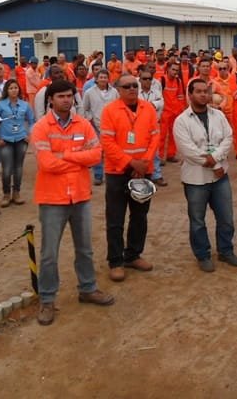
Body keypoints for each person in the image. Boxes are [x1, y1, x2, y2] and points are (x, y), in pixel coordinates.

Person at [30, 80, 114, 326]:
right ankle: (47, 299)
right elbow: (46, 163)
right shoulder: (41, 127)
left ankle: (87, 288)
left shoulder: (83, 124)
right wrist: (78, 159)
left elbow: (96, 155)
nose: (66, 100)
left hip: (80, 196)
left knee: (85, 249)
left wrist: (64, 155)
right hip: (52, 199)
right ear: (50, 100)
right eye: (61, 96)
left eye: (69, 96)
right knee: (49, 254)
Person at [173, 79, 237, 272]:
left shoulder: (218, 115)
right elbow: (188, 151)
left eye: (206, 91)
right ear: (190, 94)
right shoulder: (182, 121)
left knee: (226, 218)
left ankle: (226, 251)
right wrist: (215, 163)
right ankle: (202, 255)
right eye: (199, 91)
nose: (204, 95)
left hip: (220, 177)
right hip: (195, 179)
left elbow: (228, 138)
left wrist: (216, 160)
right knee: (197, 220)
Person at [100, 74, 160, 282]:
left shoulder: (148, 108)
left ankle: (133, 255)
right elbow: (107, 142)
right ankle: (116, 261)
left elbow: (155, 136)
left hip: (143, 171)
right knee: (115, 219)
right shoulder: (109, 111)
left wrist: (144, 162)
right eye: (127, 86)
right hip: (117, 172)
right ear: (118, 89)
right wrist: (130, 163)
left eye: (135, 85)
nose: (132, 89)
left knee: (139, 216)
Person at [0, 79, 35, 206]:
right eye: (11, 88)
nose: (14, 90)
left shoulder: (25, 105)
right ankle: (6, 194)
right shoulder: (0, 105)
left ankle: (16, 192)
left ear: (19, 90)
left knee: (18, 167)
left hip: (21, 139)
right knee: (7, 168)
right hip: (5, 140)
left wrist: (30, 135)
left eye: (16, 88)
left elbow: (32, 121)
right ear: (7, 90)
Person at [82, 69, 119, 186]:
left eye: (105, 77)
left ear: (108, 79)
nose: (103, 79)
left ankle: (113, 173)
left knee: (112, 150)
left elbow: (119, 105)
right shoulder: (89, 92)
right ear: (96, 79)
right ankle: (98, 175)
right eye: (101, 77)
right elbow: (85, 108)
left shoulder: (114, 92)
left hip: (113, 126)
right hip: (96, 126)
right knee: (97, 151)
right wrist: (90, 119)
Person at [139, 69, 167, 186]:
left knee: (154, 151)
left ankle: (157, 175)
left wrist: (148, 105)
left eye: (149, 79)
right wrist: (151, 105)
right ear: (140, 80)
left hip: (154, 125)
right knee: (140, 152)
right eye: (144, 79)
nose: (147, 81)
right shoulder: (136, 92)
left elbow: (161, 103)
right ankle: (142, 175)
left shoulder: (156, 92)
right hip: (138, 127)